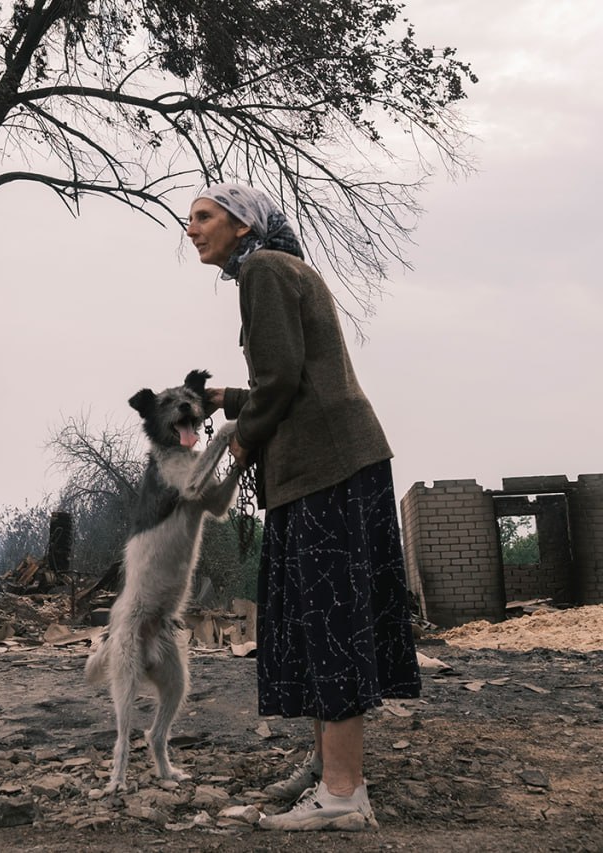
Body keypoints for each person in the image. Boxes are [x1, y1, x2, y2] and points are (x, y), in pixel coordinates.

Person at [188, 182, 421, 832]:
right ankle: (328, 769)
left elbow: (283, 380)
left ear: (242, 225)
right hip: (328, 465)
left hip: (327, 469)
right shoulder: (278, 267)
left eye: (204, 216)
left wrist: (240, 446)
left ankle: (343, 793)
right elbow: (292, 379)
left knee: (330, 618)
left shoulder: (262, 270)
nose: (192, 228)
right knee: (318, 617)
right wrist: (228, 400)